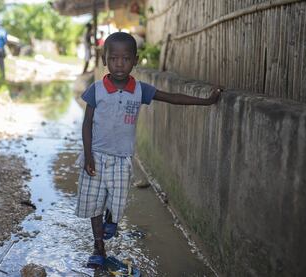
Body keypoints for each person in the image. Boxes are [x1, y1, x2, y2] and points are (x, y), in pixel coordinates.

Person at [75, 32, 222, 268]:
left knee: (118, 202)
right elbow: (86, 124)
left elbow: (171, 98)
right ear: (105, 60)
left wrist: (206, 101)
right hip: (96, 155)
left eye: (125, 58)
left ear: (135, 60)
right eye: (113, 58)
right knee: (94, 204)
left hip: (122, 158)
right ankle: (98, 247)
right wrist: (88, 155)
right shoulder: (96, 89)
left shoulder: (140, 90)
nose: (119, 64)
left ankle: (112, 218)